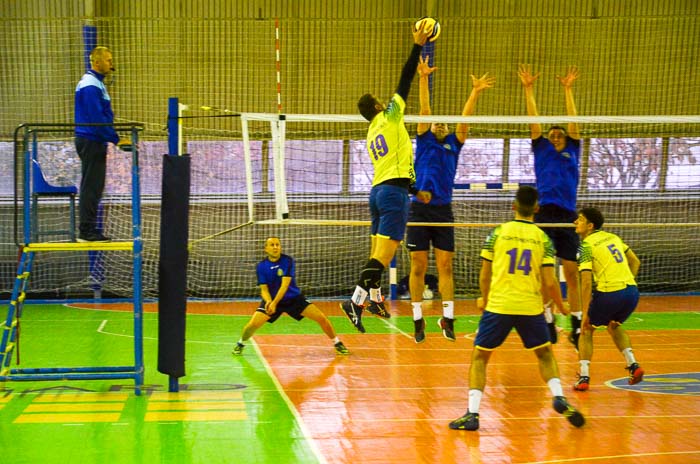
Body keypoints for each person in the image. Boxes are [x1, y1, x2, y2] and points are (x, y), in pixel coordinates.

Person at [449, 186, 584, 431]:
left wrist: (484, 298)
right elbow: (549, 280)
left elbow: (485, 273)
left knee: (480, 357)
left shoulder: (498, 233)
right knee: (544, 355)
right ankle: (558, 396)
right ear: (537, 208)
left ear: (513, 206)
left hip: (499, 305)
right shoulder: (542, 238)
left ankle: (473, 414)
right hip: (529, 307)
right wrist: (560, 304)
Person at [339, 23, 432, 333]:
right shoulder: (390, 115)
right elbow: (404, 79)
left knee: (377, 254)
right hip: (391, 195)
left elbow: (397, 163)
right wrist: (418, 45)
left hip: (379, 191)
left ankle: (376, 298)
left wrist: (416, 189)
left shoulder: (370, 132)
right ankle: (356, 300)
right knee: (383, 256)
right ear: (379, 106)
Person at [408, 55, 496, 343]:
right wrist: (423, 78)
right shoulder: (424, 139)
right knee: (418, 265)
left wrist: (475, 92)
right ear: (431, 127)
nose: (441, 125)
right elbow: (424, 109)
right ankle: (418, 318)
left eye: (445, 124)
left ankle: (447, 318)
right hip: (419, 210)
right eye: (437, 123)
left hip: (443, 210)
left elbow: (465, 120)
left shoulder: (453, 145)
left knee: (445, 265)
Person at [518, 64, 583, 348]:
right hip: (544, 213)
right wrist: (528, 88)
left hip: (568, 214)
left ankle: (577, 322)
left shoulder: (573, 148)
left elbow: (573, 121)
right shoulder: (541, 147)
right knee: (544, 271)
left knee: (571, 271)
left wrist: (568, 89)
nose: (555, 135)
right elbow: (534, 122)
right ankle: (548, 319)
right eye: (552, 133)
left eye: (560, 133)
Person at [232, 237, 349, 356]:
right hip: (272, 301)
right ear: (266, 249)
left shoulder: (287, 261)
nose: (275, 247)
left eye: (277, 244)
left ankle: (337, 343)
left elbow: (285, 285)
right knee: (252, 325)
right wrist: (268, 301)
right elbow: (264, 289)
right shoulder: (261, 266)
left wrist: (274, 303)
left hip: (293, 299)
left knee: (321, 318)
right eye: (272, 245)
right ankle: (240, 343)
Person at [572, 207, 644, 391]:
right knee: (614, 324)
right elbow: (635, 261)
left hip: (610, 292)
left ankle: (584, 377)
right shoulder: (613, 237)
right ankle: (633, 365)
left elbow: (586, 282)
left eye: (579, 220)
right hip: (631, 292)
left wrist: (585, 313)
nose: (575, 222)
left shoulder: (585, 246)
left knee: (586, 329)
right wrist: (628, 281)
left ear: (590, 225)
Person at [74, 46, 124, 242]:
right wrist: (116, 139)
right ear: (97, 62)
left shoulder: (96, 83)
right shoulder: (90, 85)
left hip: (95, 140)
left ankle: (88, 228)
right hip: (90, 140)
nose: (111, 63)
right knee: (91, 186)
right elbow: (96, 119)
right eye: (108, 60)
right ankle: (86, 230)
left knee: (95, 185)